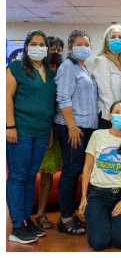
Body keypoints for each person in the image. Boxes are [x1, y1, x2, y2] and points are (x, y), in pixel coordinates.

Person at [6, 30, 56, 243]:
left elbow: (50, 105)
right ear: (26, 47)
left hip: (42, 132)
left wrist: (51, 132)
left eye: (42, 43)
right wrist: (9, 126)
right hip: (20, 131)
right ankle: (17, 226)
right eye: (33, 43)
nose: (38, 47)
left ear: (47, 48)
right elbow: (6, 97)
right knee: (18, 176)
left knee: (29, 176)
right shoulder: (16, 68)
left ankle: (26, 220)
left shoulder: (50, 72)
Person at [78, 101, 121, 250]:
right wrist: (84, 197)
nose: (120, 116)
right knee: (99, 243)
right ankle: (103, 222)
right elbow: (87, 167)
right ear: (110, 115)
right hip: (98, 194)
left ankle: (111, 223)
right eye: (117, 112)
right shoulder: (97, 135)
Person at [54, 29, 98, 236]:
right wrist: (71, 126)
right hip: (72, 128)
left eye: (87, 44)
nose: (85, 47)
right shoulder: (67, 67)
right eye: (80, 44)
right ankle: (65, 218)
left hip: (87, 127)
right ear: (71, 47)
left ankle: (72, 214)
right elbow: (63, 98)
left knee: (78, 170)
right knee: (71, 171)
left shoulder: (85, 68)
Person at [35, 36, 65, 230]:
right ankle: (39, 213)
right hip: (41, 127)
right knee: (43, 173)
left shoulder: (62, 71)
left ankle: (66, 214)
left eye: (59, 49)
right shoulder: (38, 73)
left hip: (62, 126)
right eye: (52, 49)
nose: (56, 52)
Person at [93, 24, 121, 129]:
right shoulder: (102, 61)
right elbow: (105, 92)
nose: (117, 40)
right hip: (108, 116)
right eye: (113, 37)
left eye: (120, 37)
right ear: (107, 42)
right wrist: (115, 115)